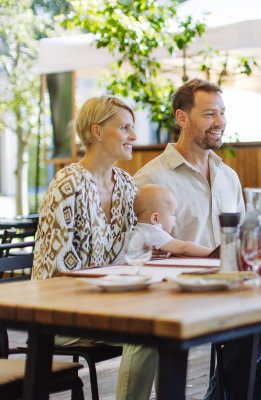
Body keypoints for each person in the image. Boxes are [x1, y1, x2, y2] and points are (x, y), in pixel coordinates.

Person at [134, 78, 261, 400]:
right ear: (182, 118)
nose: (219, 122)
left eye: (222, 113)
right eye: (209, 115)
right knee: (258, 333)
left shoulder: (228, 176)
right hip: (181, 293)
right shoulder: (150, 179)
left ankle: (223, 397)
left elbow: (248, 237)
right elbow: (140, 250)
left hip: (234, 285)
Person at [32, 96, 158, 400]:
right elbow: (56, 272)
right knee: (148, 333)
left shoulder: (126, 185)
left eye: (133, 128)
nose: (134, 136)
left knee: (163, 325)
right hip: (58, 312)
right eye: (125, 128)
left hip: (107, 305)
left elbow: (131, 253)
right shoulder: (67, 184)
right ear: (97, 131)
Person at [113, 184, 212, 264]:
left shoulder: (141, 229)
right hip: (124, 271)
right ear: (155, 218)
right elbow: (184, 248)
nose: (175, 219)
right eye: (172, 214)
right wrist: (212, 253)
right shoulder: (153, 231)